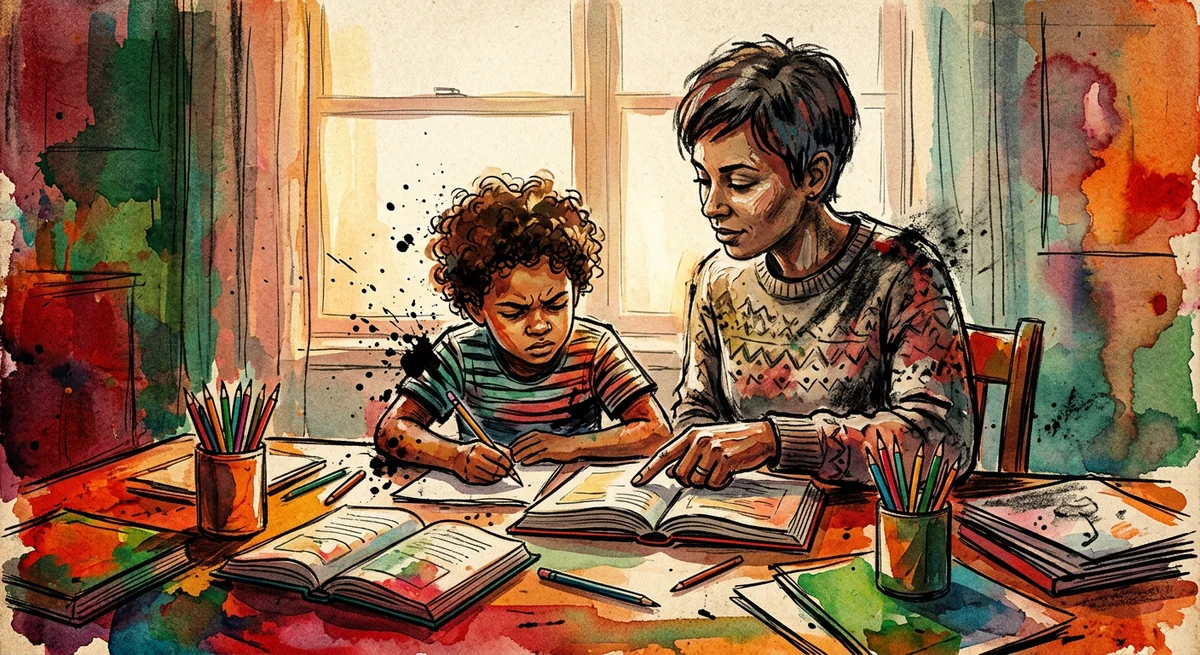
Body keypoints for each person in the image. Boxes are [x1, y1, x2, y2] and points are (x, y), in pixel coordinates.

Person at [634, 37, 975, 490]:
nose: (711, 206)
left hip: (866, 531)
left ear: (813, 176)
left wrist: (777, 441)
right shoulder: (716, 280)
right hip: (750, 526)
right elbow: (697, 411)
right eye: (705, 180)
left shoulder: (901, 271)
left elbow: (942, 442)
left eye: (739, 182)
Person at [376, 173, 672, 484]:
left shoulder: (594, 346)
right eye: (515, 311)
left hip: (573, 503)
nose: (541, 325)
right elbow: (392, 431)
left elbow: (655, 431)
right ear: (477, 308)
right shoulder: (459, 352)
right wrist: (456, 457)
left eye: (556, 304)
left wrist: (570, 447)